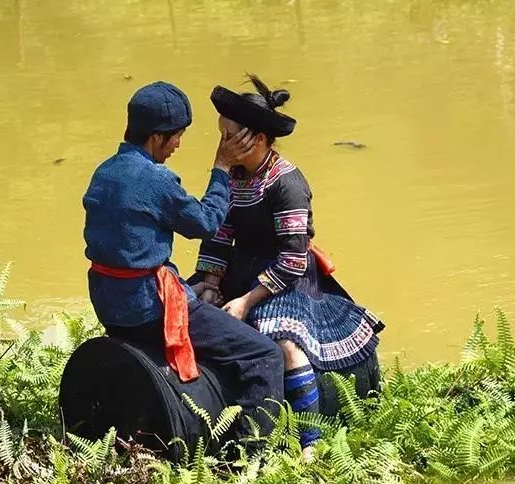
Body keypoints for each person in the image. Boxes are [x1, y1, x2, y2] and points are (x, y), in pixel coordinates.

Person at [190, 75, 385, 457]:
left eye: (229, 137)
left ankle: (308, 444)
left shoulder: (287, 184)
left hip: (285, 280)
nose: (222, 147)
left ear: (257, 139)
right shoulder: (234, 176)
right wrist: (211, 282)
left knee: (284, 345)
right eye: (221, 136)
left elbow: (294, 258)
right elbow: (219, 230)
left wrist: (246, 302)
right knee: (187, 300)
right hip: (238, 269)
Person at [82, 80, 285, 447]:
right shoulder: (156, 180)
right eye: (177, 137)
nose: (178, 145)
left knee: (193, 291)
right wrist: (222, 167)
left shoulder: (104, 172)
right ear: (157, 138)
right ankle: (251, 451)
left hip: (110, 305)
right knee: (264, 354)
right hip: (146, 309)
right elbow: (206, 222)